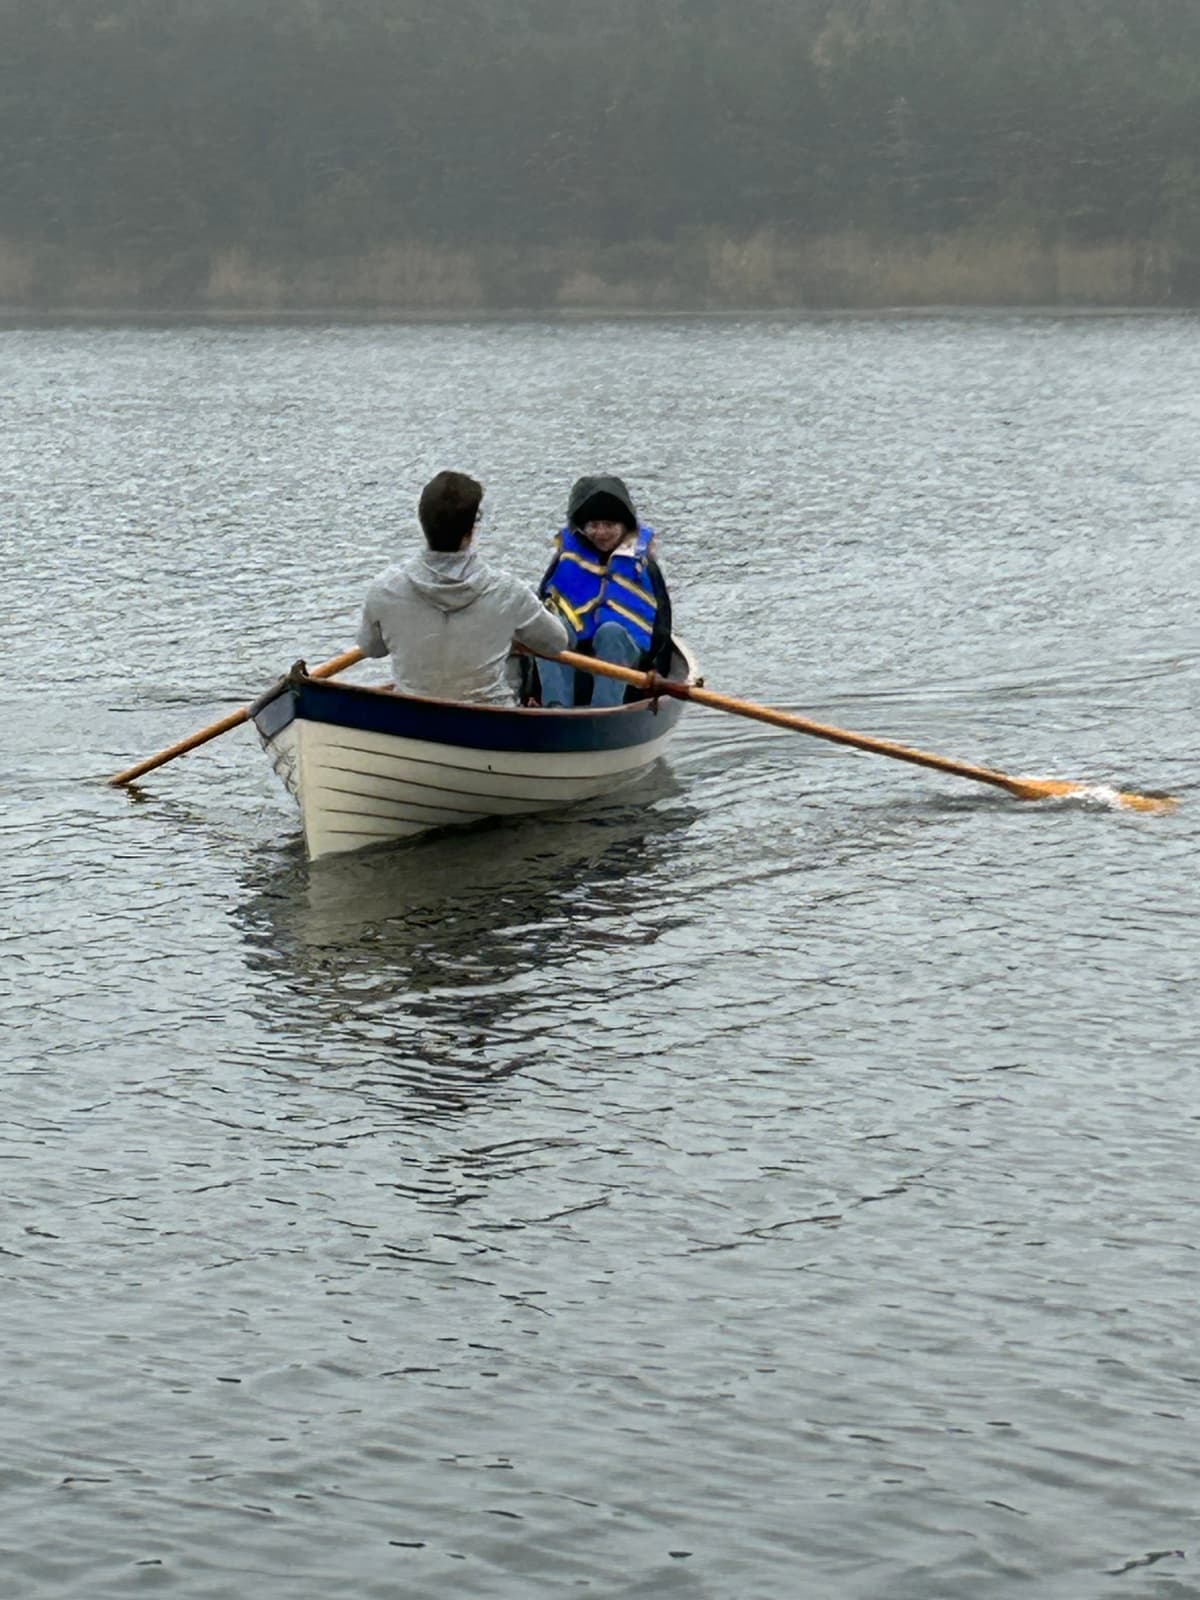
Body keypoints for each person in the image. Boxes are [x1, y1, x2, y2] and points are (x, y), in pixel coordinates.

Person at [356, 470, 569, 705]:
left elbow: (371, 648)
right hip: (491, 720)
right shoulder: (508, 592)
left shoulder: (385, 589)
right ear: (471, 531)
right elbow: (557, 642)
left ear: (422, 524)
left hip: (412, 717)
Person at [537, 475, 673, 708]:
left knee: (610, 633)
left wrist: (657, 675)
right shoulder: (565, 559)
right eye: (594, 525)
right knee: (550, 626)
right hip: (575, 661)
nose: (601, 532)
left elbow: (662, 627)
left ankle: (603, 711)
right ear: (582, 527)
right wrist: (531, 688)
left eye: (609, 525)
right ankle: (555, 708)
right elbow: (538, 616)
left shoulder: (643, 565)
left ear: (624, 526)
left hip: (625, 665)